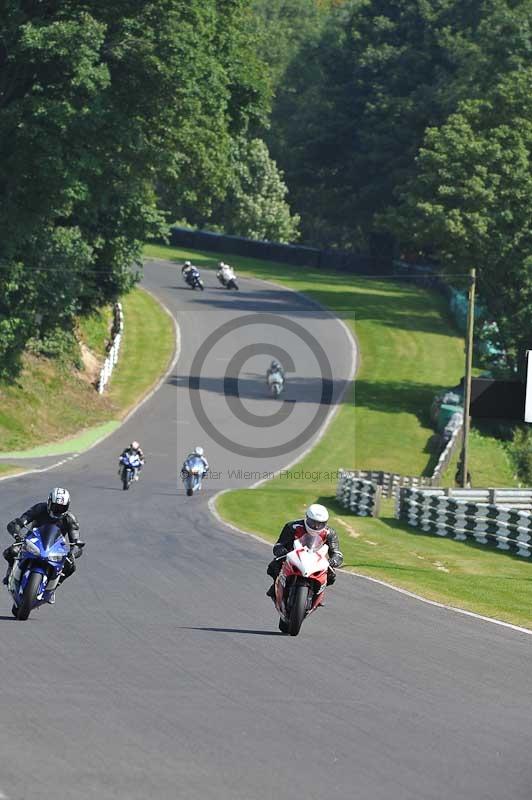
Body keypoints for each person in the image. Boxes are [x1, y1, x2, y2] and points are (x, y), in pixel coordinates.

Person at [3, 488, 84, 604]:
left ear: (67, 507)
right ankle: (10, 573)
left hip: (55, 548)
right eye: (56, 507)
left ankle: (52, 588)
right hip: (33, 541)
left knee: (70, 566)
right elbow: (21, 521)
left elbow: (76, 543)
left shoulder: (70, 519)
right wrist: (17, 534)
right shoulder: (39, 509)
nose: (58, 510)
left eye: (62, 508)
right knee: (11, 551)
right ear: (49, 502)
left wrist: (73, 552)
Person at [266, 503, 343, 599]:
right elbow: (279, 544)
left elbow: (336, 552)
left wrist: (334, 560)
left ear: (325, 523)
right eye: (313, 522)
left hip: (316, 560)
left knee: (331, 576)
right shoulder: (292, 527)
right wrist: (282, 551)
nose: (316, 526)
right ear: (306, 518)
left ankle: (317, 595)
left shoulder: (329, 533)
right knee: (274, 565)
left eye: (320, 524)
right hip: (293, 557)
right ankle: (275, 587)